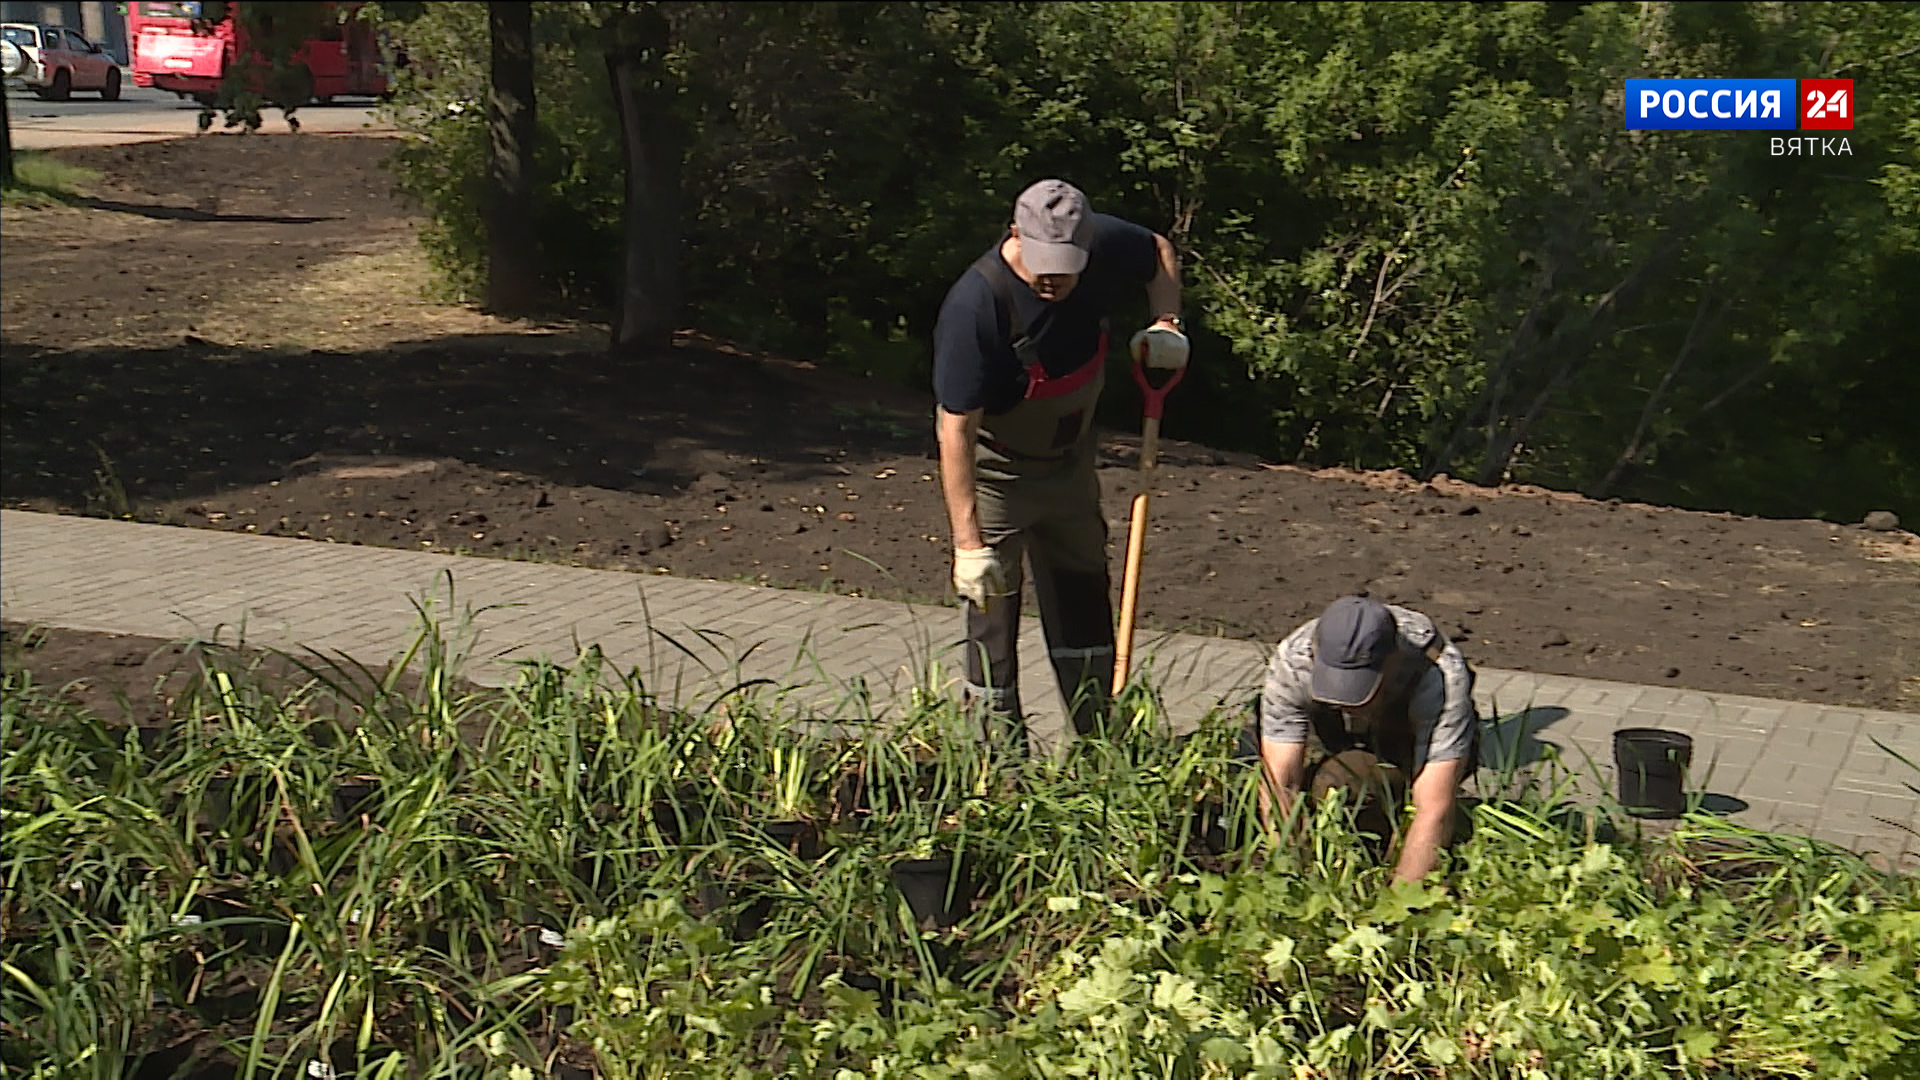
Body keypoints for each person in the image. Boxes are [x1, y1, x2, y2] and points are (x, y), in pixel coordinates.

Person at [932, 179, 1188, 752]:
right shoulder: (976, 306)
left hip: (1070, 468)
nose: (1053, 278)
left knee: (1082, 593)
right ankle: (997, 761)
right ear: (1016, 234)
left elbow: (1160, 253)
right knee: (991, 612)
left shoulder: (1104, 244)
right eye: (1043, 263)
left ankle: (1098, 746)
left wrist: (1167, 322)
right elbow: (954, 428)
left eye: (1066, 265)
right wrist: (967, 544)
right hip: (999, 473)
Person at [1256, 596, 1479, 882]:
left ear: (1393, 659)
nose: (1347, 701)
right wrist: (1294, 875)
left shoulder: (1438, 675)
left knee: (1355, 781)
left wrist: (1401, 903)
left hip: (1405, 747)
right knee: (1252, 762)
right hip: (1335, 738)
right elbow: (1280, 783)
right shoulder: (1294, 660)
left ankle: (1397, 820)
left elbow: (1433, 806)